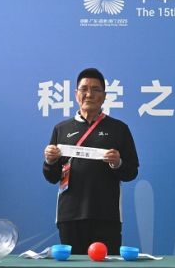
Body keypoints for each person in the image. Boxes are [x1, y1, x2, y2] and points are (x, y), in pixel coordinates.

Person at [43, 67, 139, 254]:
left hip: (106, 215)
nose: (89, 94)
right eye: (84, 89)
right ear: (76, 94)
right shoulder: (61, 129)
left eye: (96, 90)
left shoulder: (119, 129)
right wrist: (50, 161)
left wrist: (117, 163)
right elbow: (52, 177)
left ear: (104, 96)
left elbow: (131, 171)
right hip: (70, 216)